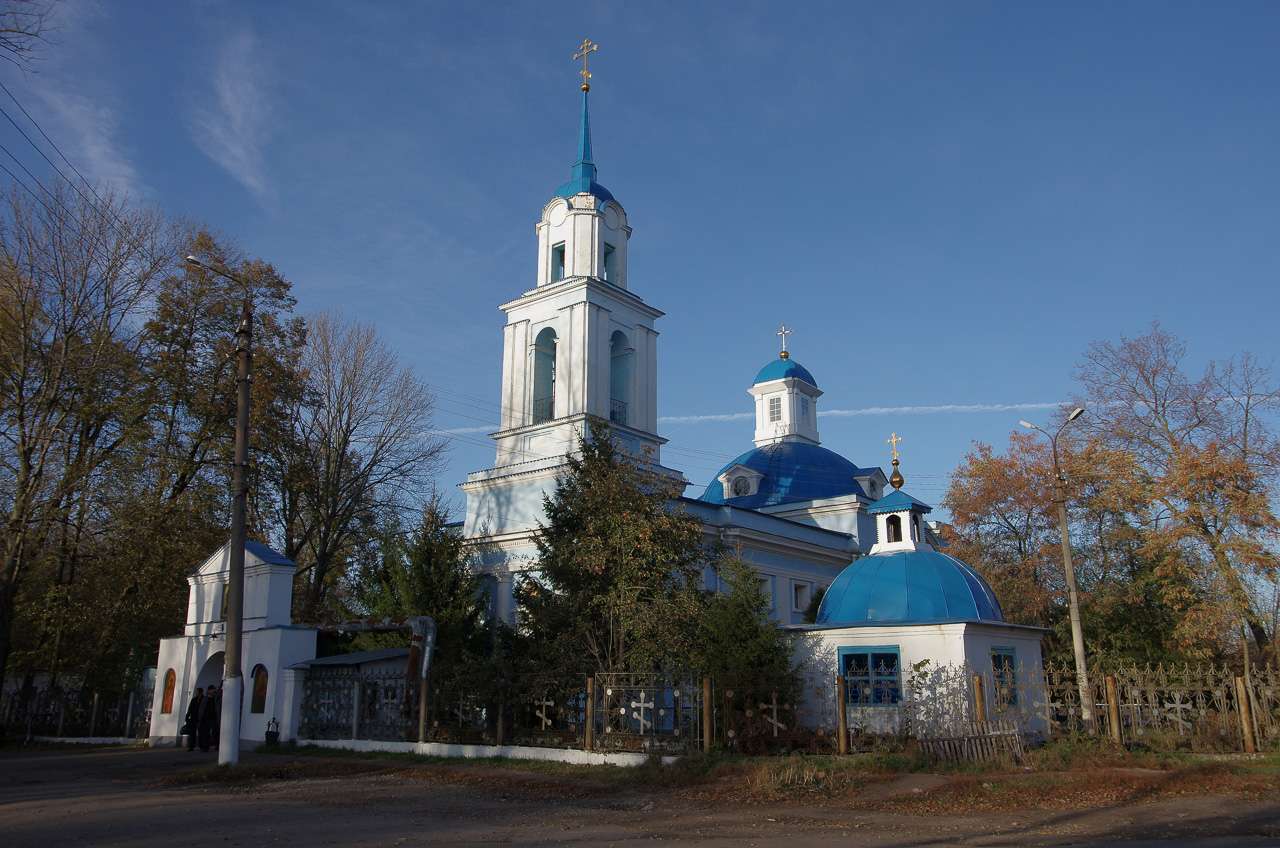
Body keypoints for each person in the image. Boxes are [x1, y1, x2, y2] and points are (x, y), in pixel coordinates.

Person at [197, 684, 218, 752]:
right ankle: (205, 747)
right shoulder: (205, 699)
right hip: (205, 718)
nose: (214, 691)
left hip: (213, 718)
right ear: (209, 690)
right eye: (213, 690)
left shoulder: (215, 699)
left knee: (215, 732)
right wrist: (200, 718)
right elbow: (201, 709)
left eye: (214, 690)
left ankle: (216, 745)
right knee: (205, 733)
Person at [182, 686, 203, 751]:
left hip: (201, 718)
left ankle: (202, 745)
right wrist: (187, 716)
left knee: (201, 732)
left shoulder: (204, 699)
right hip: (193, 718)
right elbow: (190, 708)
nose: (197, 693)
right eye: (197, 692)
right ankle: (191, 746)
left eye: (198, 692)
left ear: (201, 692)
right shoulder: (194, 699)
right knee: (192, 733)